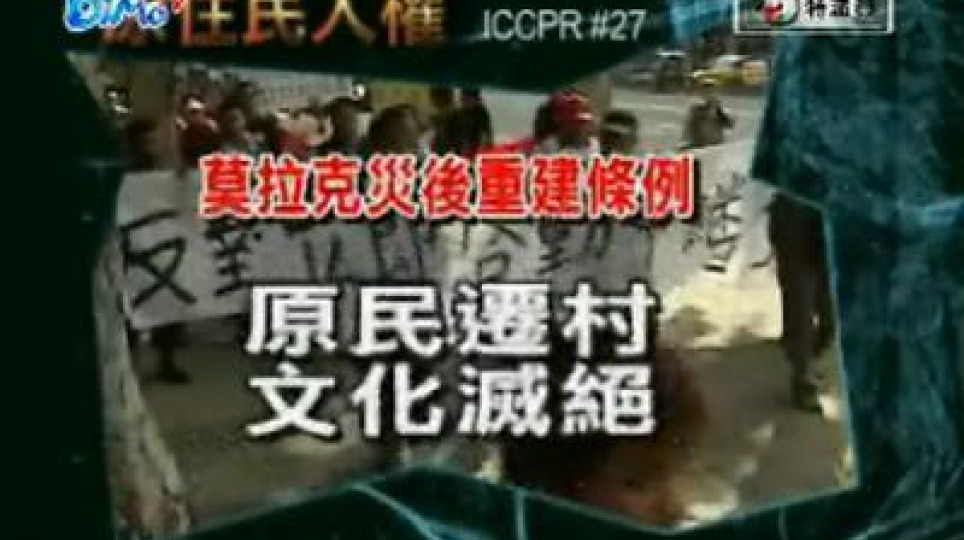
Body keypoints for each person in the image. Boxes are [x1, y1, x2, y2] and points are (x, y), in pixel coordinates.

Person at [768, 193, 834, 412]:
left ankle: (803, 357)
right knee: (800, 309)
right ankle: (803, 380)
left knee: (829, 318)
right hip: (795, 235)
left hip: (825, 239)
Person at [681, 81, 734, 149]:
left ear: (716, 92)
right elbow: (688, 129)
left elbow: (730, 125)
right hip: (701, 147)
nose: (708, 94)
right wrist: (685, 143)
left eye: (711, 91)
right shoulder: (696, 109)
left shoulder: (721, 109)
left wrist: (719, 111)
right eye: (705, 91)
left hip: (717, 147)